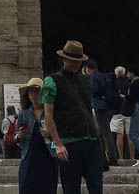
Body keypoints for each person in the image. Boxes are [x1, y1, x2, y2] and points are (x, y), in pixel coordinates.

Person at [41, 40, 103, 194]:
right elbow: (48, 114)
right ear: (64, 60)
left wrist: (97, 136)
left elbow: (90, 110)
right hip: (69, 143)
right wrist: (58, 143)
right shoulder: (52, 81)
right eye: (73, 61)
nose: (76, 64)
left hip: (90, 141)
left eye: (79, 61)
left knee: (96, 187)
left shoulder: (84, 80)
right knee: (71, 188)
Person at [16, 77, 57, 194]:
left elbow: (60, 136)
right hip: (29, 157)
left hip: (48, 157)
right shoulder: (23, 114)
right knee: (27, 188)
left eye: (37, 91)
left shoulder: (51, 113)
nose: (34, 95)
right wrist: (19, 136)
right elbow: (15, 137)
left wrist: (51, 134)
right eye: (31, 91)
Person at [83, 60, 117, 165]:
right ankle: (101, 156)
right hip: (109, 106)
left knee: (105, 133)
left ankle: (112, 157)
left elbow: (94, 90)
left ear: (88, 69)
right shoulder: (103, 76)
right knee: (101, 133)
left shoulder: (93, 77)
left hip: (100, 106)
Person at [109, 66, 133, 164]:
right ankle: (132, 157)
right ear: (124, 73)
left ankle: (121, 156)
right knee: (129, 135)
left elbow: (111, 97)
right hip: (128, 111)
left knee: (119, 135)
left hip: (117, 111)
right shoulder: (129, 83)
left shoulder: (113, 83)